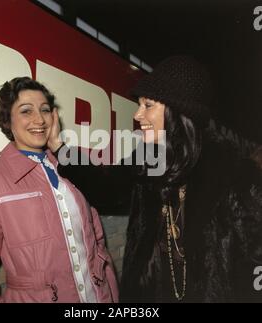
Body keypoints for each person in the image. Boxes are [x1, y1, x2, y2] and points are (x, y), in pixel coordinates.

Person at [52, 56, 262, 302]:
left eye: (148, 105)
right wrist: (58, 146)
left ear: (178, 110)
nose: (138, 114)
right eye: (139, 104)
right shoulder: (146, 158)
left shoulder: (232, 172)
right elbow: (106, 189)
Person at [0, 77, 118, 303]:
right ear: (7, 121)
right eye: (26, 111)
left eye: (45, 110)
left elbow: (98, 243)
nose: (39, 119)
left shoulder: (73, 169)